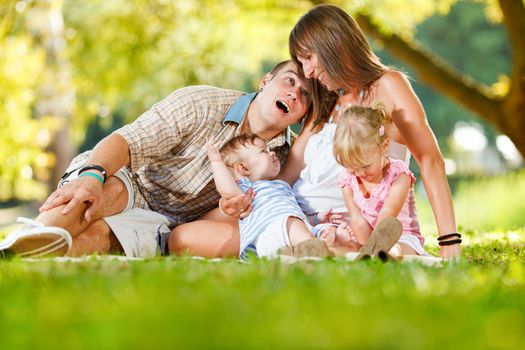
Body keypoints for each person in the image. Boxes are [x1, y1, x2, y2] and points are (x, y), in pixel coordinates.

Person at [0, 60, 315, 258]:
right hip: (132, 177)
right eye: (289, 81)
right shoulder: (202, 103)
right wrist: (91, 176)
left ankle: (20, 255)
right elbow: (126, 140)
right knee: (95, 196)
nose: (293, 94)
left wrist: (227, 209)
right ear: (265, 81)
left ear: (303, 114)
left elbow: (239, 216)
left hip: (163, 222)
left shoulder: (279, 161)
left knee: (101, 236)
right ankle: (22, 241)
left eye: (304, 96)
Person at [286, 4, 461, 259]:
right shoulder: (325, 101)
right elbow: (289, 174)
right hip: (321, 228)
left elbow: (431, 160)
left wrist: (449, 243)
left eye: (309, 58)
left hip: (375, 227)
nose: (307, 72)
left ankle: (378, 252)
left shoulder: (388, 86)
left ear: (334, 43)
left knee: (379, 249)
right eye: (301, 63)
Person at [206, 134, 337, 259]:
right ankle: (314, 249)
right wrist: (216, 162)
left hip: (289, 233)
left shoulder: (281, 186)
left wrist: (315, 219)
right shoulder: (246, 189)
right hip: (268, 235)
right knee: (292, 223)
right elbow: (227, 189)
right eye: (263, 151)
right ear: (244, 168)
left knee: (325, 229)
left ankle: (339, 247)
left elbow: (294, 211)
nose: (272, 153)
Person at [331, 104, 428, 258]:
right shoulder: (347, 180)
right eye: (352, 167)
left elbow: (387, 217)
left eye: (365, 166)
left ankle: (383, 256)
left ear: (384, 147)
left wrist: (373, 246)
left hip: (402, 238)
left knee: (393, 249)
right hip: (367, 239)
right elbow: (357, 218)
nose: (360, 173)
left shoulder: (398, 175)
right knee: (342, 246)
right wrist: (364, 246)